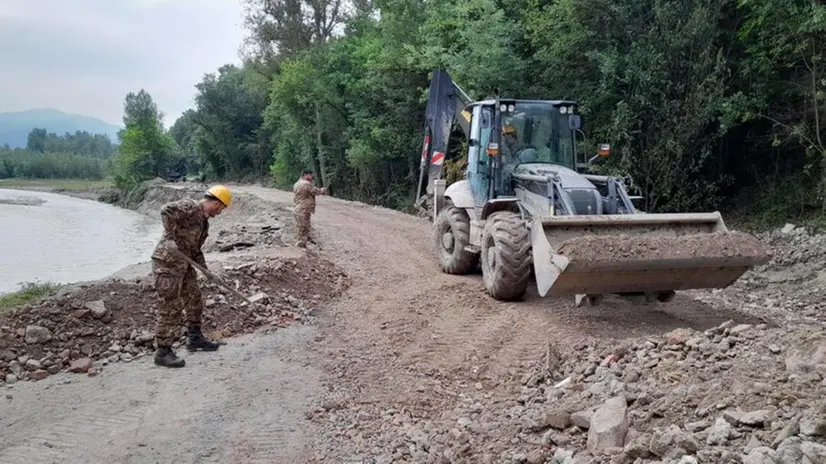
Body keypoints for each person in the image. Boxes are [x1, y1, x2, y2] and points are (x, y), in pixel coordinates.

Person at [150, 185, 232, 368]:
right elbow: (166, 211)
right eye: (221, 208)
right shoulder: (190, 206)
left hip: (184, 264)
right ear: (215, 202)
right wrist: (170, 238)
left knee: (195, 299)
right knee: (170, 306)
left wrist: (207, 271)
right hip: (167, 262)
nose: (220, 212)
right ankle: (163, 352)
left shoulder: (204, 224)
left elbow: (195, 251)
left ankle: (194, 338)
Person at [293, 170, 327, 248]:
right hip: (303, 209)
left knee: (300, 227)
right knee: (304, 228)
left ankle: (302, 244)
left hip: (298, 208)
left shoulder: (296, 184)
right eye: (310, 175)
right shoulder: (306, 184)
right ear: (305, 175)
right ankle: (301, 248)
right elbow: (316, 191)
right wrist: (322, 190)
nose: (312, 177)